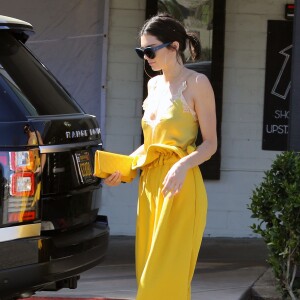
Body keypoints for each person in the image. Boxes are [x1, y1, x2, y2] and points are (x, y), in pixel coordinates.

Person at [104, 13, 217, 300]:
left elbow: (211, 144)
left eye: (150, 50)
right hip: (150, 185)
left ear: (174, 46)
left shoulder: (197, 83)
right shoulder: (153, 86)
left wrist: (181, 165)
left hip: (180, 185)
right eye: (141, 51)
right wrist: (124, 169)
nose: (146, 57)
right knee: (147, 273)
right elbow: (150, 145)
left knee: (164, 277)